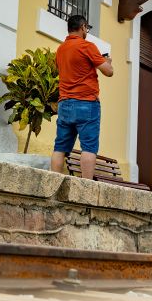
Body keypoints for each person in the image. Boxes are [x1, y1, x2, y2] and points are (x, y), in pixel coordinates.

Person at [50, 14, 113, 181]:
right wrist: (108, 61)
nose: (87, 31)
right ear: (83, 27)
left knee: (60, 147)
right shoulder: (87, 46)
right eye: (87, 28)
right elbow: (108, 72)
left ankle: (54, 182)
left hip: (64, 103)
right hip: (86, 103)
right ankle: (86, 187)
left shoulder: (60, 49)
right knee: (89, 147)